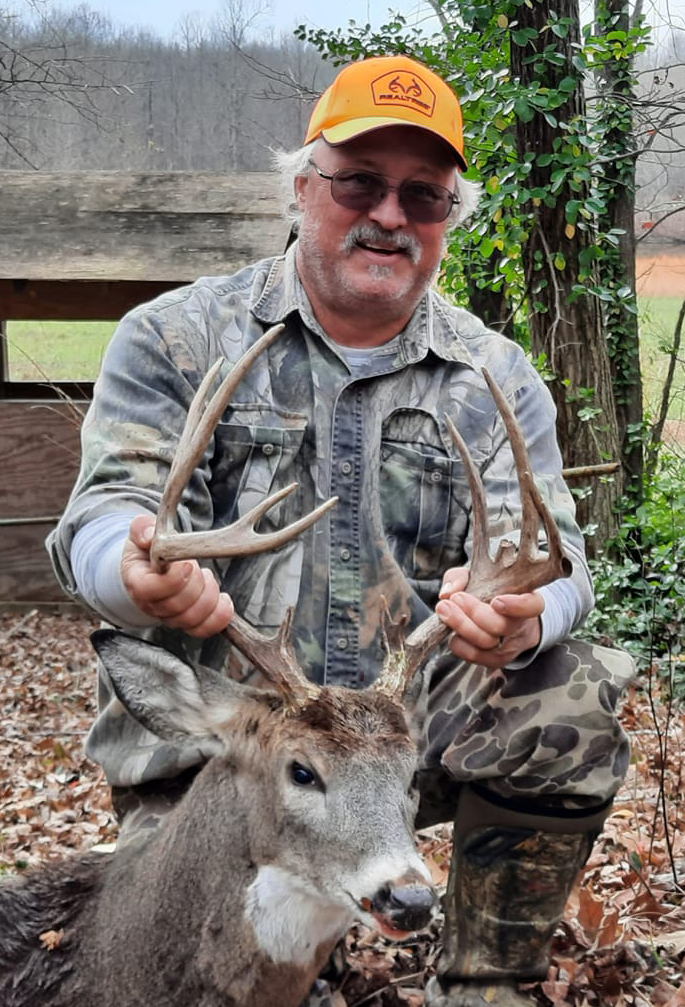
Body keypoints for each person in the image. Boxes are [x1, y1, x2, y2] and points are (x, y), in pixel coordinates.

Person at [47, 54, 633, 1007]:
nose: (390, 215)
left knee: (573, 690)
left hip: (402, 745)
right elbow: (101, 518)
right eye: (360, 182)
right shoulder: (176, 337)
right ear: (302, 187)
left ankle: (484, 986)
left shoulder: (493, 375)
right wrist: (134, 567)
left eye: (423, 195)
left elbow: (564, 564)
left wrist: (529, 615)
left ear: (448, 217)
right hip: (228, 753)